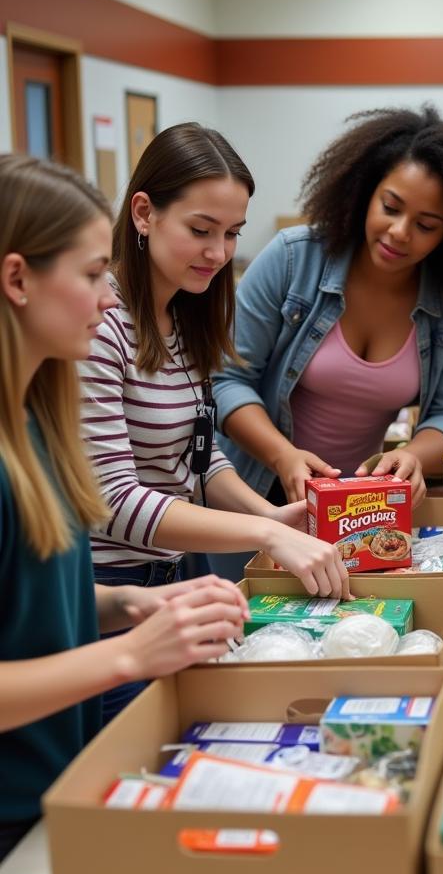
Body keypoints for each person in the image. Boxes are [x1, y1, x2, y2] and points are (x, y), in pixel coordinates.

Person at [0, 155, 247, 863]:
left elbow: (33, 600)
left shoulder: (39, 428)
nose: (109, 300)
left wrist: (123, 608)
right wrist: (129, 654)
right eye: (88, 277)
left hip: (55, 780)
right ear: (17, 280)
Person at [78, 123, 348, 723]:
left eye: (231, 234)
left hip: (177, 574)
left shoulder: (185, 315)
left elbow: (198, 454)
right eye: (200, 231)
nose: (219, 253)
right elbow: (113, 500)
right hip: (107, 594)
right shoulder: (100, 323)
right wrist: (266, 536)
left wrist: (266, 512)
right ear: (143, 213)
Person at [212, 104, 443, 509]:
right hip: (254, 494)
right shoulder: (292, 260)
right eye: (390, 207)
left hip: (363, 507)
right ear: (364, 191)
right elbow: (226, 382)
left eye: (426, 225)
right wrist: (283, 456)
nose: (399, 232)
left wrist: (413, 456)